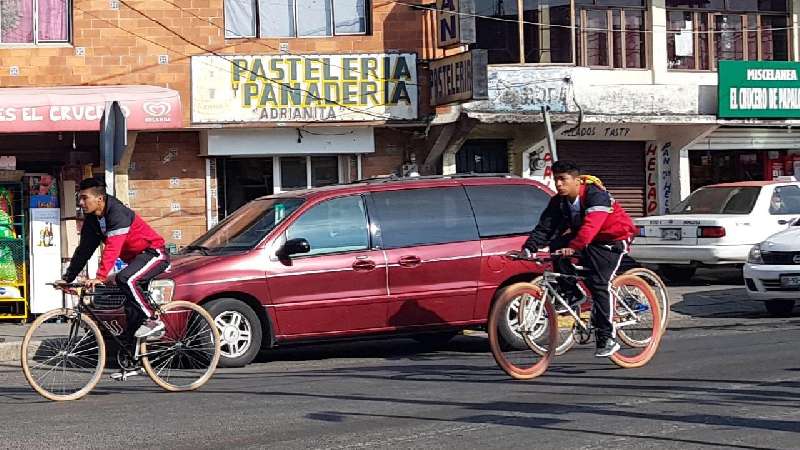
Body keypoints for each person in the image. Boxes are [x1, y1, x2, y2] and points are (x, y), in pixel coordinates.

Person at [523, 161, 637, 357]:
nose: (558, 184)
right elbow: (546, 227)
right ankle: (572, 292)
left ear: (577, 181)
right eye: (555, 179)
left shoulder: (596, 195)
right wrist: (529, 247)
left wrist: (573, 248)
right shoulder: (559, 201)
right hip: (586, 240)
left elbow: (590, 228)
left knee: (599, 283)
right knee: (556, 246)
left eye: (563, 179)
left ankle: (606, 338)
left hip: (612, 239)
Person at [56, 178, 170, 343]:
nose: (81, 202)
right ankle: (132, 365)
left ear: (99, 199)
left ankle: (153, 320)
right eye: (79, 198)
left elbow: (113, 248)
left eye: (84, 198)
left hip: (154, 253)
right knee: (131, 315)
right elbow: (84, 251)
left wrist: (100, 276)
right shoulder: (92, 220)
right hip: (135, 260)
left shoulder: (117, 212)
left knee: (125, 279)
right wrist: (68, 278)